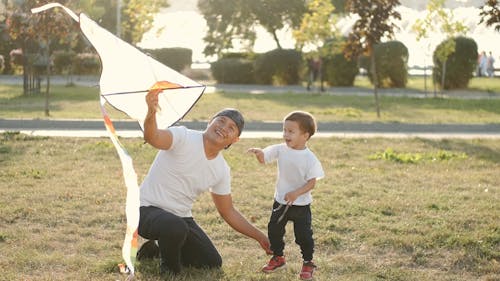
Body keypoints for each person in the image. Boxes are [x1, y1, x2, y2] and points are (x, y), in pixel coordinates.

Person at [137, 88, 272, 276]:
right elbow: (152, 137)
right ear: (210, 122)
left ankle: (155, 249)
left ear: (235, 139)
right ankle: (170, 271)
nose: (224, 127)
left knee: (211, 262)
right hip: (146, 210)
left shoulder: (221, 169)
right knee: (174, 226)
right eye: (221, 121)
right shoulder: (183, 137)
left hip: (180, 217)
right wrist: (151, 112)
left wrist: (260, 237)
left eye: (231, 128)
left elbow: (228, 211)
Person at [248, 111, 325, 281]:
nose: (285, 134)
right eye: (284, 130)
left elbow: (312, 183)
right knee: (274, 230)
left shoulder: (310, 158)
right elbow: (265, 158)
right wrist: (260, 153)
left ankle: (308, 262)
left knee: (303, 235)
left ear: (305, 136)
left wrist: (297, 193)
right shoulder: (281, 149)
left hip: (301, 205)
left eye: (291, 131)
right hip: (281, 200)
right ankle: (278, 257)